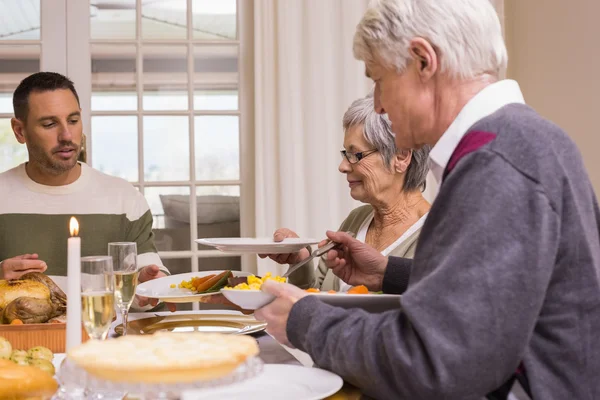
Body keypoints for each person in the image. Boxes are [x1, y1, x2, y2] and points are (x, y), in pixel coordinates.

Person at [254, 0, 600, 399]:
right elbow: (494, 296)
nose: (379, 104)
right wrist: (388, 273)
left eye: (379, 78)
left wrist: (304, 321)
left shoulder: (496, 162)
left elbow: (436, 362)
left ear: (423, 60)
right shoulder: (525, 141)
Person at [0, 72, 174, 311]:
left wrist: (150, 287)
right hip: (19, 346)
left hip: (103, 343)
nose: (67, 136)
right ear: (20, 131)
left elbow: (150, 283)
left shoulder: (123, 198)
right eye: (49, 124)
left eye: (73, 120)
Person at [264, 94, 430, 291]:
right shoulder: (356, 220)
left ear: (401, 157)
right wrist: (301, 260)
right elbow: (318, 299)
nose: (342, 166)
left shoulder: (435, 235)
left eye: (355, 155)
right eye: (345, 154)